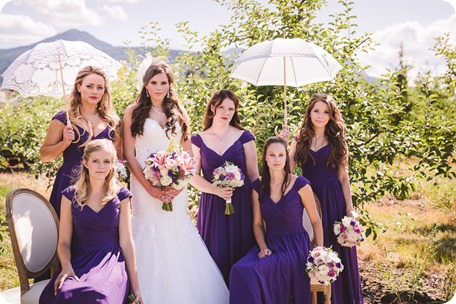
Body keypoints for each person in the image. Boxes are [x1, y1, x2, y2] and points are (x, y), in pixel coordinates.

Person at [122, 60, 229, 303]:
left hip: (176, 188)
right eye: (154, 82)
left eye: (164, 82)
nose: (159, 87)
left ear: (170, 84)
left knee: (175, 232)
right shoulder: (133, 112)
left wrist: (177, 185)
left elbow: (189, 156)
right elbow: (129, 154)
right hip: (143, 186)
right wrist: (150, 187)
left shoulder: (179, 113)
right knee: (147, 232)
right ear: (146, 84)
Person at [39, 139, 142, 304]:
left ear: (113, 164)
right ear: (86, 163)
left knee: (99, 296)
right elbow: (64, 242)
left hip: (111, 262)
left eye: (106, 161)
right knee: (66, 293)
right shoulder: (70, 195)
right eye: (96, 161)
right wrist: (66, 266)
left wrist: (136, 286)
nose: (101, 166)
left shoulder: (121, 195)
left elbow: (127, 242)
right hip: (78, 262)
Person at [283, 93, 364, 304]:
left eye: (325, 112)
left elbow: (343, 177)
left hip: (333, 198)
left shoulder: (338, 139)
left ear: (331, 115)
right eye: (316, 111)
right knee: (313, 244)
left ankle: (340, 298)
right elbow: (288, 169)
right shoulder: (300, 138)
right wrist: (284, 144)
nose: (320, 116)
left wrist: (349, 209)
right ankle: (315, 297)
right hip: (309, 199)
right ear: (309, 113)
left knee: (335, 247)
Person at [229, 136, 323, 303]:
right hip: (270, 243)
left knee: (254, 270)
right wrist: (263, 247)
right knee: (239, 269)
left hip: (294, 246)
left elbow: (316, 221)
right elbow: (257, 224)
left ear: (286, 157)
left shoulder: (300, 184)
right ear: (265, 157)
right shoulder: (258, 187)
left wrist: (320, 252)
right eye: (272, 155)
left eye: (280, 155)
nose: (276, 159)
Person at [190, 89, 259, 285]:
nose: (226, 112)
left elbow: (254, 175)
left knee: (242, 252)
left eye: (231, 108)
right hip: (213, 205)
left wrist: (260, 207)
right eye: (222, 107)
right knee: (214, 254)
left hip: (242, 205)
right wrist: (215, 190)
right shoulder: (197, 139)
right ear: (213, 107)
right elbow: (193, 176)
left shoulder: (245, 136)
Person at [40, 65, 121, 218]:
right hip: (70, 182)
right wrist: (64, 143)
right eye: (89, 86)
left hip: (101, 185)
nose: (94, 91)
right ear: (78, 86)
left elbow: (119, 157)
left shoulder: (112, 122)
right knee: (67, 234)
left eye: (99, 87)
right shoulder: (63, 119)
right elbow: (44, 156)